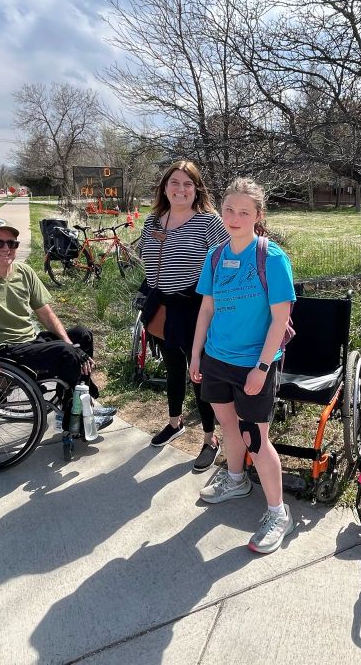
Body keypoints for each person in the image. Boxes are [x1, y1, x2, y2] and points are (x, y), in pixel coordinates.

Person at [0, 216, 115, 428]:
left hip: (28, 344)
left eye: (12, 244)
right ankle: (77, 417)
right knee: (65, 352)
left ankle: (71, 404)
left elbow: (47, 315)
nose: (6, 248)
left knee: (81, 335)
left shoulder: (24, 272)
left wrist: (69, 342)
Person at [190, 178, 297, 554]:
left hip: (254, 364)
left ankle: (277, 512)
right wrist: (196, 354)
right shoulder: (215, 256)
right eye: (229, 210)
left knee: (256, 438)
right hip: (216, 359)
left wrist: (262, 368)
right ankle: (236, 480)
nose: (234, 218)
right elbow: (206, 309)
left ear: (258, 215)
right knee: (227, 425)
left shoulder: (271, 258)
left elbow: (280, 319)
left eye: (244, 212)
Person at [138, 160, 229, 472]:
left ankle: (209, 439)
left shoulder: (208, 221)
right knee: (173, 367)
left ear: (197, 188)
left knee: (198, 372)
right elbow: (146, 259)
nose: (181, 189)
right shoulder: (152, 222)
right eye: (174, 182)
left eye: (187, 184)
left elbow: (225, 262)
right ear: (165, 187)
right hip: (161, 306)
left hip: (194, 308)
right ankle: (175, 422)